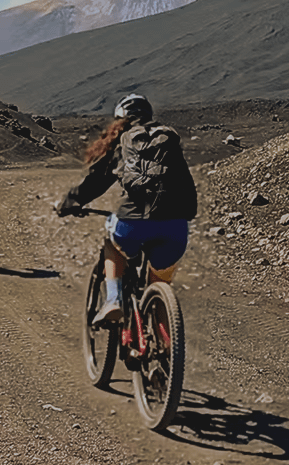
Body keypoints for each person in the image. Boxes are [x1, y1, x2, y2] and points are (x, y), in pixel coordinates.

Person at [56, 93, 197, 323]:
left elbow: (95, 182)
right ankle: (167, 344)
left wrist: (69, 204)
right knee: (159, 284)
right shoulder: (168, 140)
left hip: (133, 223)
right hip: (176, 228)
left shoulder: (124, 141)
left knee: (111, 243)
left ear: (120, 119)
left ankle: (113, 301)